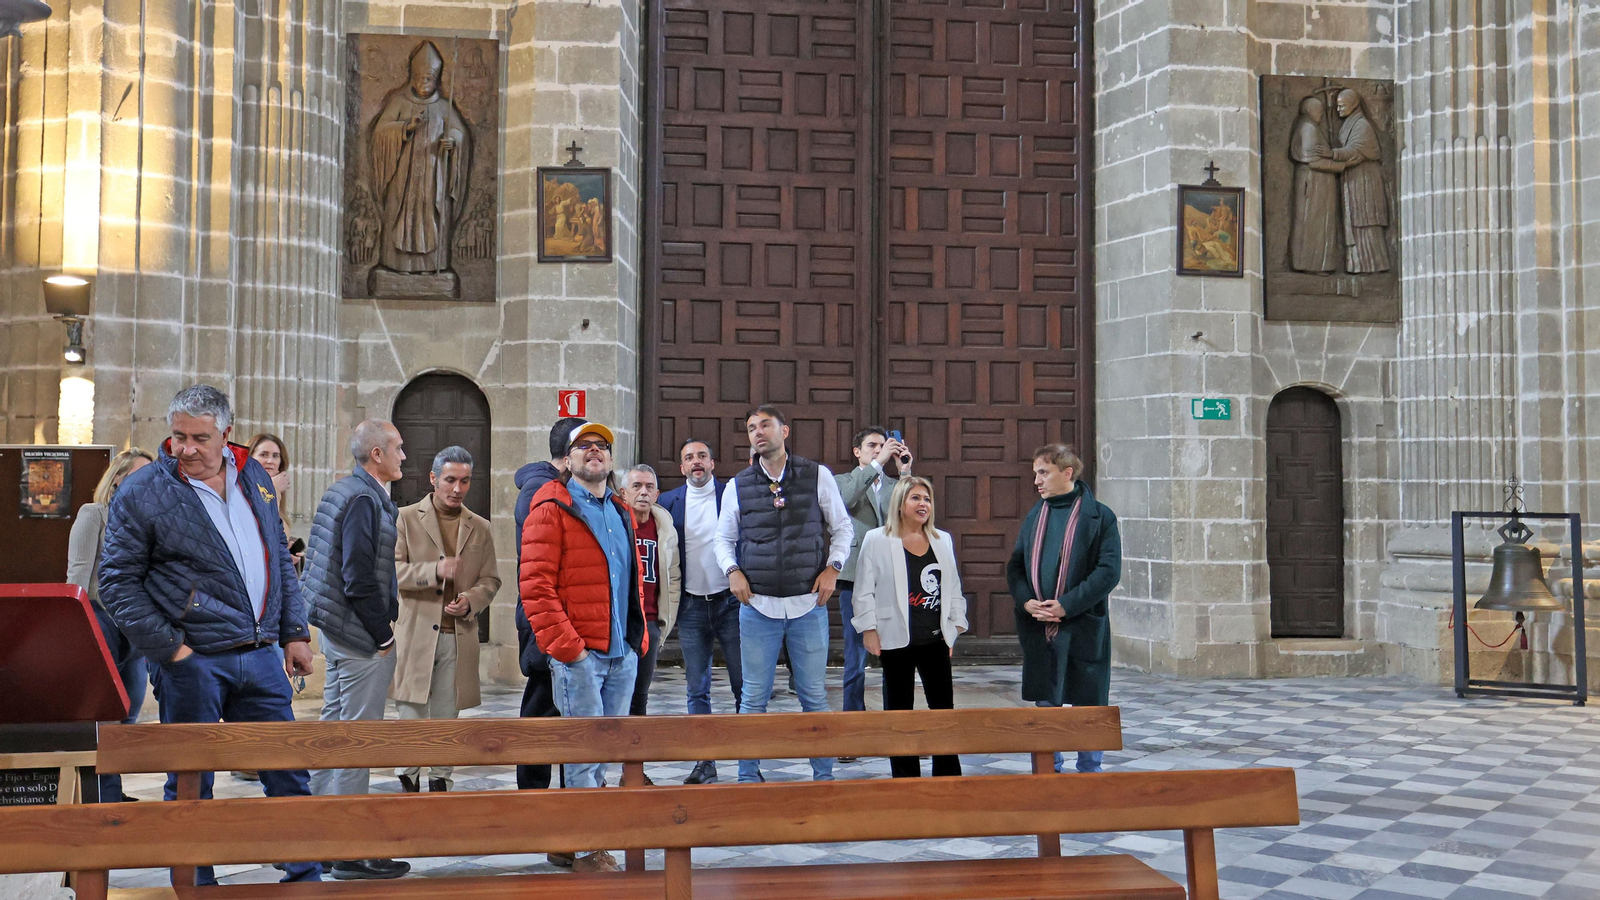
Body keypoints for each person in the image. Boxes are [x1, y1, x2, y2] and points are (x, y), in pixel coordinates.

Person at [98, 385, 319, 886]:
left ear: (227, 434)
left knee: (288, 773)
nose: (187, 448)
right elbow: (116, 582)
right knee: (192, 781)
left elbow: (277, 558)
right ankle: (196, 885)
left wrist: (294, 632)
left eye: (200, 437)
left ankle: (305, 879)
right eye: (178, 436)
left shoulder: (255, 478)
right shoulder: (144, 490)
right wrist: (172, 649)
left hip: (261, 653)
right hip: (193, 660)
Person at [520, 421, 647, 874]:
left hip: (620, 655)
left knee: (607, 753)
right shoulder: (551, 507)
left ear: (611, 460)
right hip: (581, 657)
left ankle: (581, 838)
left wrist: (636, 642)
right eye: (584, 446)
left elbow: (630, 584)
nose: (594, 452)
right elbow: (536, 587)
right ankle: (590, 846)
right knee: (582, 754)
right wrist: (569, 650)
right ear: (568, 460)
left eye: (602, 446)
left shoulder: (620, 509)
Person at [714, 405, 853, 784]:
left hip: (808, 604)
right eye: (751, 428)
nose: (758, 433)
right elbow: (722, 539)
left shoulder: (816, 475)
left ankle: (823, 778)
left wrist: (833, 569)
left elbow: (842, 529)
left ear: (784, 431)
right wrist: (733, 571)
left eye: (765, 425)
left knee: (813, 697)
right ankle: (747, 777)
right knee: (753, 700)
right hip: (757, 605)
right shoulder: (738, 484)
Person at [303, 419, 409, 881]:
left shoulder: (344, 489)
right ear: (376, 456)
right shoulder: (365, 498)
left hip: (336, 630)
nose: (404, 456)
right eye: (397, 448)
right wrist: (383, 636)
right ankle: (349, 848)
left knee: (335, 736)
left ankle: (321, 839)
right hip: (358, 635)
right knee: (358, 741)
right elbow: (358, 577)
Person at [390, 446, 501, 793]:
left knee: (445, 717)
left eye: (465, 481)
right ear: (434, 478)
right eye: (451, 480)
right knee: (410, 714)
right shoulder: (406, 518)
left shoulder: (478, 527)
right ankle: (408, 778)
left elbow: (491, 580)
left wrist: (470, 600)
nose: (457, 489)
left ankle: (441, 782)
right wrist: (433, 571)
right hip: (415, 633)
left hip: (457, 634)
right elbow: (391, 572)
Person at [1005, 444, 1121, 774]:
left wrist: (1066, 606)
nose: (1036, 481)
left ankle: (1089, 773)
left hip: (1082, 622)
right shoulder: (1035, 515)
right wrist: (1026, 600)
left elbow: (1108, 571)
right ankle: (1047, 770)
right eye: (1035, 474)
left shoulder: (1101, 516)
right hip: (1041, 625)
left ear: (1067, 473)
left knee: (1089, 703)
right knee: (1046, 700)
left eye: (1043, 472)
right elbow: (1015, 567)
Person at [851, 476, 967, 778]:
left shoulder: (942, 540)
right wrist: (869, 629)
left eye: (927, 499)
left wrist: (954, 626)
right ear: (901, 504)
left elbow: (952, 586)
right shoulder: (877, 540)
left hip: (935, 637)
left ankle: (948, 778)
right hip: (895, 638)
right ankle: (905, 780)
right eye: (916, 498)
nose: (923, 504)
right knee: (900, 714)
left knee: (943, 711)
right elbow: (863, 590)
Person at [67, 447, 155, 803]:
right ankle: (101, 793)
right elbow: (77, 576)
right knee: (101, 716)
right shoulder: (94, 514)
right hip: (101, 621)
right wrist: (79, 631)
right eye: (140, 474)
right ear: (117, 477)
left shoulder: (148, 521)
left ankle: (112, 789)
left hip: (134, 628)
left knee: (128, 714)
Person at [658, 438, 741, 785]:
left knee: (745, 687)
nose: (696, 462)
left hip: (731, 603)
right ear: (681, 468)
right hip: (692, 606)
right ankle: (704, 761)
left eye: (702, 456)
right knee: (697, 688)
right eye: (689, 458)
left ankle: (749, 763)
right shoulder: (667, 504)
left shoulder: (731, 496)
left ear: (712, 463)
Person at [511, 416, 585, 801]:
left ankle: (562, 800)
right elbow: (543, 569)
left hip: (565, 618)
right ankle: (536, 801)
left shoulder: (558, 488)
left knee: (558, 708)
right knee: (543, 709)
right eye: (586, 445)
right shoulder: (544, 493)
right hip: (549, 619)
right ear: (568, 453)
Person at [833, 427, 912, 720]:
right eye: (872, 446)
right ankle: (854, 722)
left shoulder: (895, 485)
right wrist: (877, 464)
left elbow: (913, 515)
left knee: (896, 656)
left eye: (882, 446)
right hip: (856, 579)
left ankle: (895, 722)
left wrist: (905, 472)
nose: (879, 451)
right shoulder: (843, 480)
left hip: (892, 579)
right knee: (855, 658)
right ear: (858, 452)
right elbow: (848, 500)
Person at [624, 464, 681, 721]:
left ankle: (635, 758)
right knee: (614, 695)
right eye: (636, 486)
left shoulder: (665, 528)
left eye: (649, 487)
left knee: (640, 698)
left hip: (649, 623)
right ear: (624, 493)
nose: (643, 493)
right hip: (620, 622)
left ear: (657, 494)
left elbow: (673, 575)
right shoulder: (615, 523)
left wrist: (663, 623)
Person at [1288, 95, 1340, 274]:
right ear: (1309, 111)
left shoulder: (1310, 127)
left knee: (1315, 222)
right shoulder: (1308, 128)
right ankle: (1311, 264)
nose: (1322, 115)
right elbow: (1313, 161)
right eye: (1319, 111)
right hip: (1314, 183)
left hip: (1318, 183)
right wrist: (1340, 166)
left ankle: (1312, 263)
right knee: (1313, 223)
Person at [247, 433, 304, 571]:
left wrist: (287, 549)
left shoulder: (277, 491)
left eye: (275, 456)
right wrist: (273, 491)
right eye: (264, 455)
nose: (270, 461)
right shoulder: (244, 489)